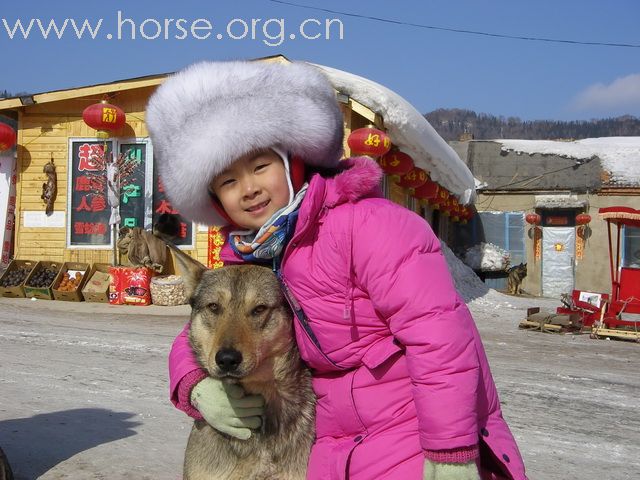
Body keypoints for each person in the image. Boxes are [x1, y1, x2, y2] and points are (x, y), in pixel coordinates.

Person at [146, 60, 527, 480]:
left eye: (259, 167)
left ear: (292, 163)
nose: (249, 188)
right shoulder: (255, 252)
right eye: (228, 181)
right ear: (216, 197)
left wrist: (450, 448)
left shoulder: (370, 224)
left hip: (412, 430)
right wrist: (193, 385)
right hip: (331, 438)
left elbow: (439, 336)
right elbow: (209, 322)